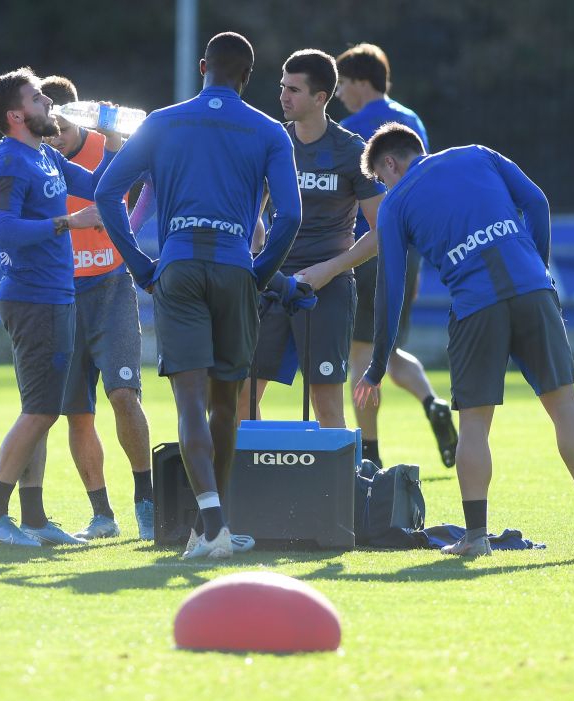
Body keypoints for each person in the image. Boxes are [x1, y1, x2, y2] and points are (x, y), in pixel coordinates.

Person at [353, 123, 574, 559]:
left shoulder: (396, 203)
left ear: (389, 164)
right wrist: (539, 264)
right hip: (534, 289)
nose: (386, 187)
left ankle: (475, 537)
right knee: (565, 406)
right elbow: (537, 202)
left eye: (382, 180)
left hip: (477, 307)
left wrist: (378, 363)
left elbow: (391, 287)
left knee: (475, 426)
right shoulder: (477, 154)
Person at [95, 32, 312, 559]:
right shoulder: (268, 131)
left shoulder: (162, 122)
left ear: (202, 67)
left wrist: (142, 264)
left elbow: (107, 192)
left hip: (179, 269)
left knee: (188, 399)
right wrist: (259, 274)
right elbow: (291, 217)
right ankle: (215, 523)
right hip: (235, 269)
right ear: (248, 76)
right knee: (226, 405)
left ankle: (208, 525)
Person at [0, 68, 109, 547]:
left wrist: (119, 140)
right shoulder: (9, 161)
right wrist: (69, 223)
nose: (48, 103)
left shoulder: (44, 156)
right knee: (40, 413)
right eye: (37, 98)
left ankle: (33, 519)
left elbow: (100, 187)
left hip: (53, 296)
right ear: (16, 115)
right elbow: (6, 228)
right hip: (33, 298)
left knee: (41, 411)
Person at [39, 76, 156, 541]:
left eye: (61, 126)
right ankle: (101, 514)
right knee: (77, 412)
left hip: (110, 290)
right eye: (47, 128)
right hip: (61, 296)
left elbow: (146, 183)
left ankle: (145, 502)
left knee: (124, 396)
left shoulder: (107, 146)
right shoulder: (38, 158)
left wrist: (127, 226)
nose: (55, 136)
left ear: (78, 115)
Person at [240, 50, 381, 430]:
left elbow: (381, 232)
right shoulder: (272, 143)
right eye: (282, 87)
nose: (283, 96)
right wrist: (257, 249)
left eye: (294, 90)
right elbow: (251, 211)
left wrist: (327, 270)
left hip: (328, 288)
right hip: (271, 282)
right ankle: (254, 485)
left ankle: (333, 490)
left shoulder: (352, 151)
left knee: (325, 400)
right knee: (243, 394)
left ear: (320, 98)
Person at [336, 43, 457, 469]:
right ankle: (432, 402)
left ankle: (369, 455)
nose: (339, 94)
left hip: (366, 250)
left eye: (343, 84)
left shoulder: (350, 131)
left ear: (361, 83)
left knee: (360, 357)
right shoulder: (413, 123)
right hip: (410, 252)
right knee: (386, 349)